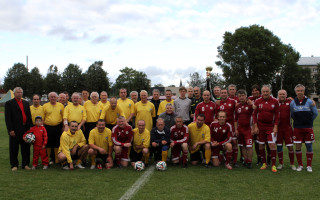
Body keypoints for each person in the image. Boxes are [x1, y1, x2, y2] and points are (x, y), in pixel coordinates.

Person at [290, 84, 318, 172]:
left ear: (304, 91)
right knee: (298, 146)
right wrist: (299, 121)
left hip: (308, 127)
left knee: (309, 145)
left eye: (301, 90)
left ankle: (309, 166)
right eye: (298, 91)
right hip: (297, 128)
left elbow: (315, 114)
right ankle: (300, 165)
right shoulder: (292, 102)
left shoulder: (310, 101)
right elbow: (292, 115)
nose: (300, 92)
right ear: (296, 92)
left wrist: (309, 121)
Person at [253, 85, 279, 172]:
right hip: (260, 127)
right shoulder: (257, 101)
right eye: (264, 92)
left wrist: (275, 127)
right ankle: (264, 163)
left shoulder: (275, 101)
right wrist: (255, 126)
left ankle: (274, 164)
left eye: (267, 91)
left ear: (270, 92)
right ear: (261, 92)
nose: (265, 93)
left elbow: (277, 115)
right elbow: (254, 115)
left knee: (272, 144)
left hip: (270, 127)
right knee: (261, 145)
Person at [5, 87, 32, 171]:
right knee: (14, 148)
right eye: (17, 92)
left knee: (26, 148)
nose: (19, 94)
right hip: (15, 129)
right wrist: (10, 130)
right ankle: (14, 165)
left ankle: (25, 164)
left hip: (25, 129)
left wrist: (30, 127)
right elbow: (8, 118)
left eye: (20, 92)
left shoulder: (26, 103)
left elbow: (29, 116)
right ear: (14, 93)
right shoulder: (9, 103)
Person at [215, 88, 238, 167]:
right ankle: (223, 157)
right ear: (220, 94)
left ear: (227, 93)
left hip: (231, 126)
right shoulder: (218, 103)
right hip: (221, 127)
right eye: (222, 93)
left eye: (225, 92)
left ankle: (234, 161)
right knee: (224, 142)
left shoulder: (233, 101)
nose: (224, 94)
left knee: (234, 143)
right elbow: (215, 115)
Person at [43, 92, 64, 165]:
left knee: (57, 143)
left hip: (58, 126)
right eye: (51, 97)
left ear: (57, 98)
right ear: (49, 98)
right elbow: (43, 117)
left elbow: (63, 117)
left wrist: (63, 126)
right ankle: (47, 160)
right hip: (47, 127)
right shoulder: (45, 106)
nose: (53, 98)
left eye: (54, 97)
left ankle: (57, 160)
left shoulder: (61, 105)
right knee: (48, 143)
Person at [276, 89, 295, 170]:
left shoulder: (290, 102)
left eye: (283, 94)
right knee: (279, 146)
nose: (282, 95)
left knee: (290, 147)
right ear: (278, 95)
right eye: (280, 94)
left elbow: (297, 105)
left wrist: (294, 100)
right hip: (278, 129)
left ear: (286, 95)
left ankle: (292, 164)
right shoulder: (275, 102)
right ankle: (281, 163)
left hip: (288, 128)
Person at [234, 89, 254, 169]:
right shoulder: (237, 106)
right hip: (240, 129)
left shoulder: (250, 105)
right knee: (242, 146)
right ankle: (245, 160)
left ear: (246, 96)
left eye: (243, 96)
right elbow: (235, 119)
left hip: (248, 129)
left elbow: (255, 115)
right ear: (238, 97)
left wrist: (253, 127)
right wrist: (236, 129)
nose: (241, 97)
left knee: (249, 146)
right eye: (240, 96)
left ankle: (249, 161)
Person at [247, 84, 263, 165]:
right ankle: (258, 158)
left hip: (259, 124)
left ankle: (266, 158)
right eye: (253, 91)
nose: (254, 92)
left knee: (261, 142)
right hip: (250, 124)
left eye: (256, 90)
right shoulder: (249, 98)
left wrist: (252, 104)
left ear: (259, 91)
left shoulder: (262, 98)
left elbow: (255, 108)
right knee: (254, 142)